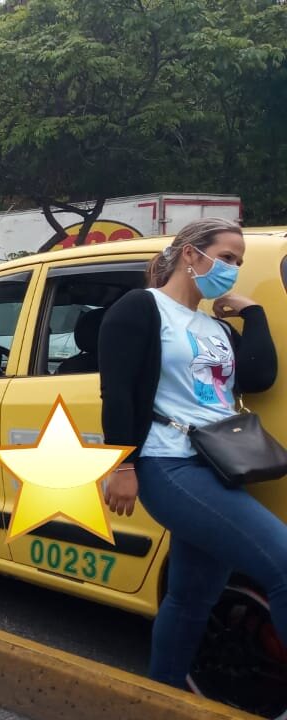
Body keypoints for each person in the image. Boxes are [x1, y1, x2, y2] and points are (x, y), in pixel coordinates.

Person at [99, 217, 286, 690]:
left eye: (238, 263)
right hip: (169, 464)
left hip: (219, 465)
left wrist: (256, 314)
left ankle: (160, 695)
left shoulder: (214, 328)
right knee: (282, 564)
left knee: (190, 598)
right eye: (225, 257)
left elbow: (259, 375)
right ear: (189, 254)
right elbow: (116, 392)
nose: (232, 269)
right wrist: (122, 464)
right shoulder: (141, 308)